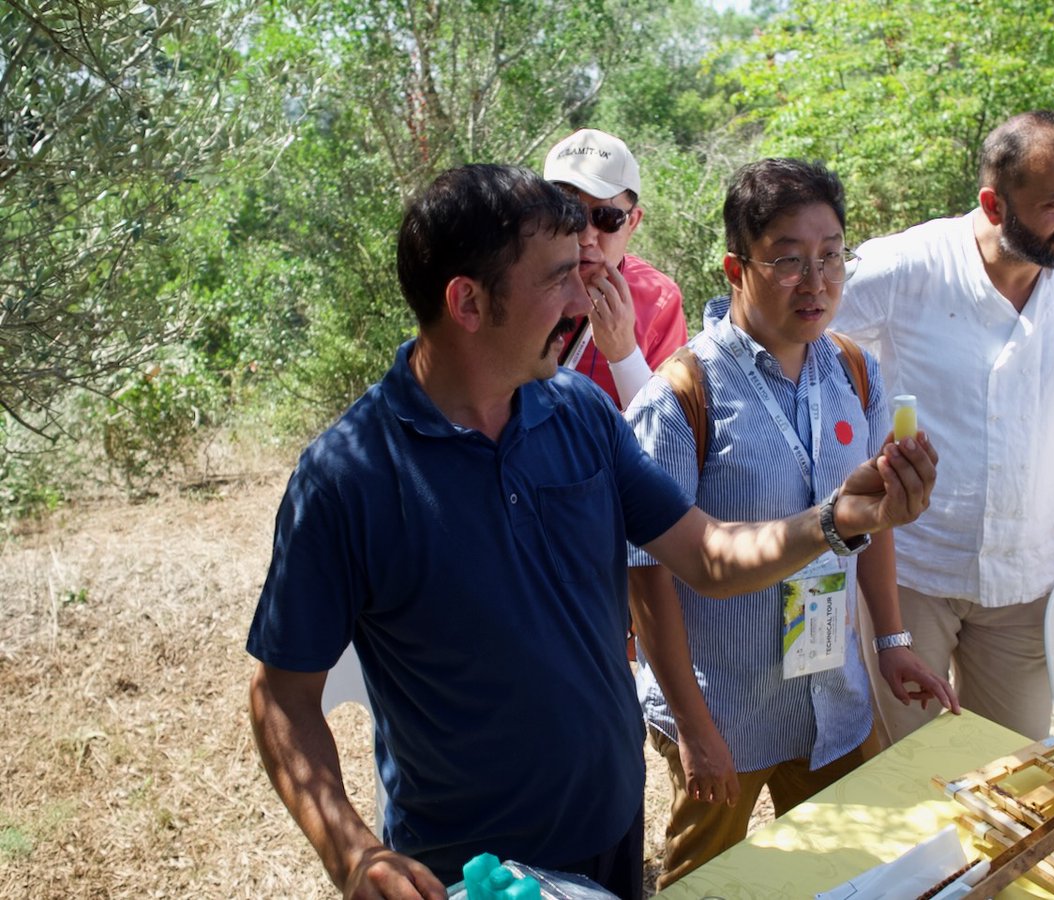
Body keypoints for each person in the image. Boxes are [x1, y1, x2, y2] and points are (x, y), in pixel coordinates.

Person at [246, 163, 940, 900]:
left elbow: (706, 556)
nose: (588, 295)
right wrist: (352, 852)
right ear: (468, 302)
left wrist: (835, 520)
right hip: (465, 866)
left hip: (610, 836)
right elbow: (282, 697)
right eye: (557, 278)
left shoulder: (577, 412)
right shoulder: (348, 477)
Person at [624, 158, 959, 890]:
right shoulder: (681, 397)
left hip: (832, 699)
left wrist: (894, 642)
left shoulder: (854, 372)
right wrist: (694, 727)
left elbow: (867, 523)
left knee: (847, 873)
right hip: (726, 712)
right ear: (735, 266)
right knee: (707, 882)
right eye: (787, 261)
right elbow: (646, 576)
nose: (817, 281)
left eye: (831, 254)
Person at [834, 110, 1054, 745]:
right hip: (911, 570)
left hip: (1025, 577)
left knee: (1007, 763)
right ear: (994, 205)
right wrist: (842, 456)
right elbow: (794, 332)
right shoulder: (904, 266)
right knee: (907, 768)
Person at [543, 127, 688, 410]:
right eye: (567, 213)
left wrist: (624, 354)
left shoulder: (659, 299)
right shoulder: (509, 279)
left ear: (632, 222)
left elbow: (670, 433)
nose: (585, 237)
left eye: (606, 217)